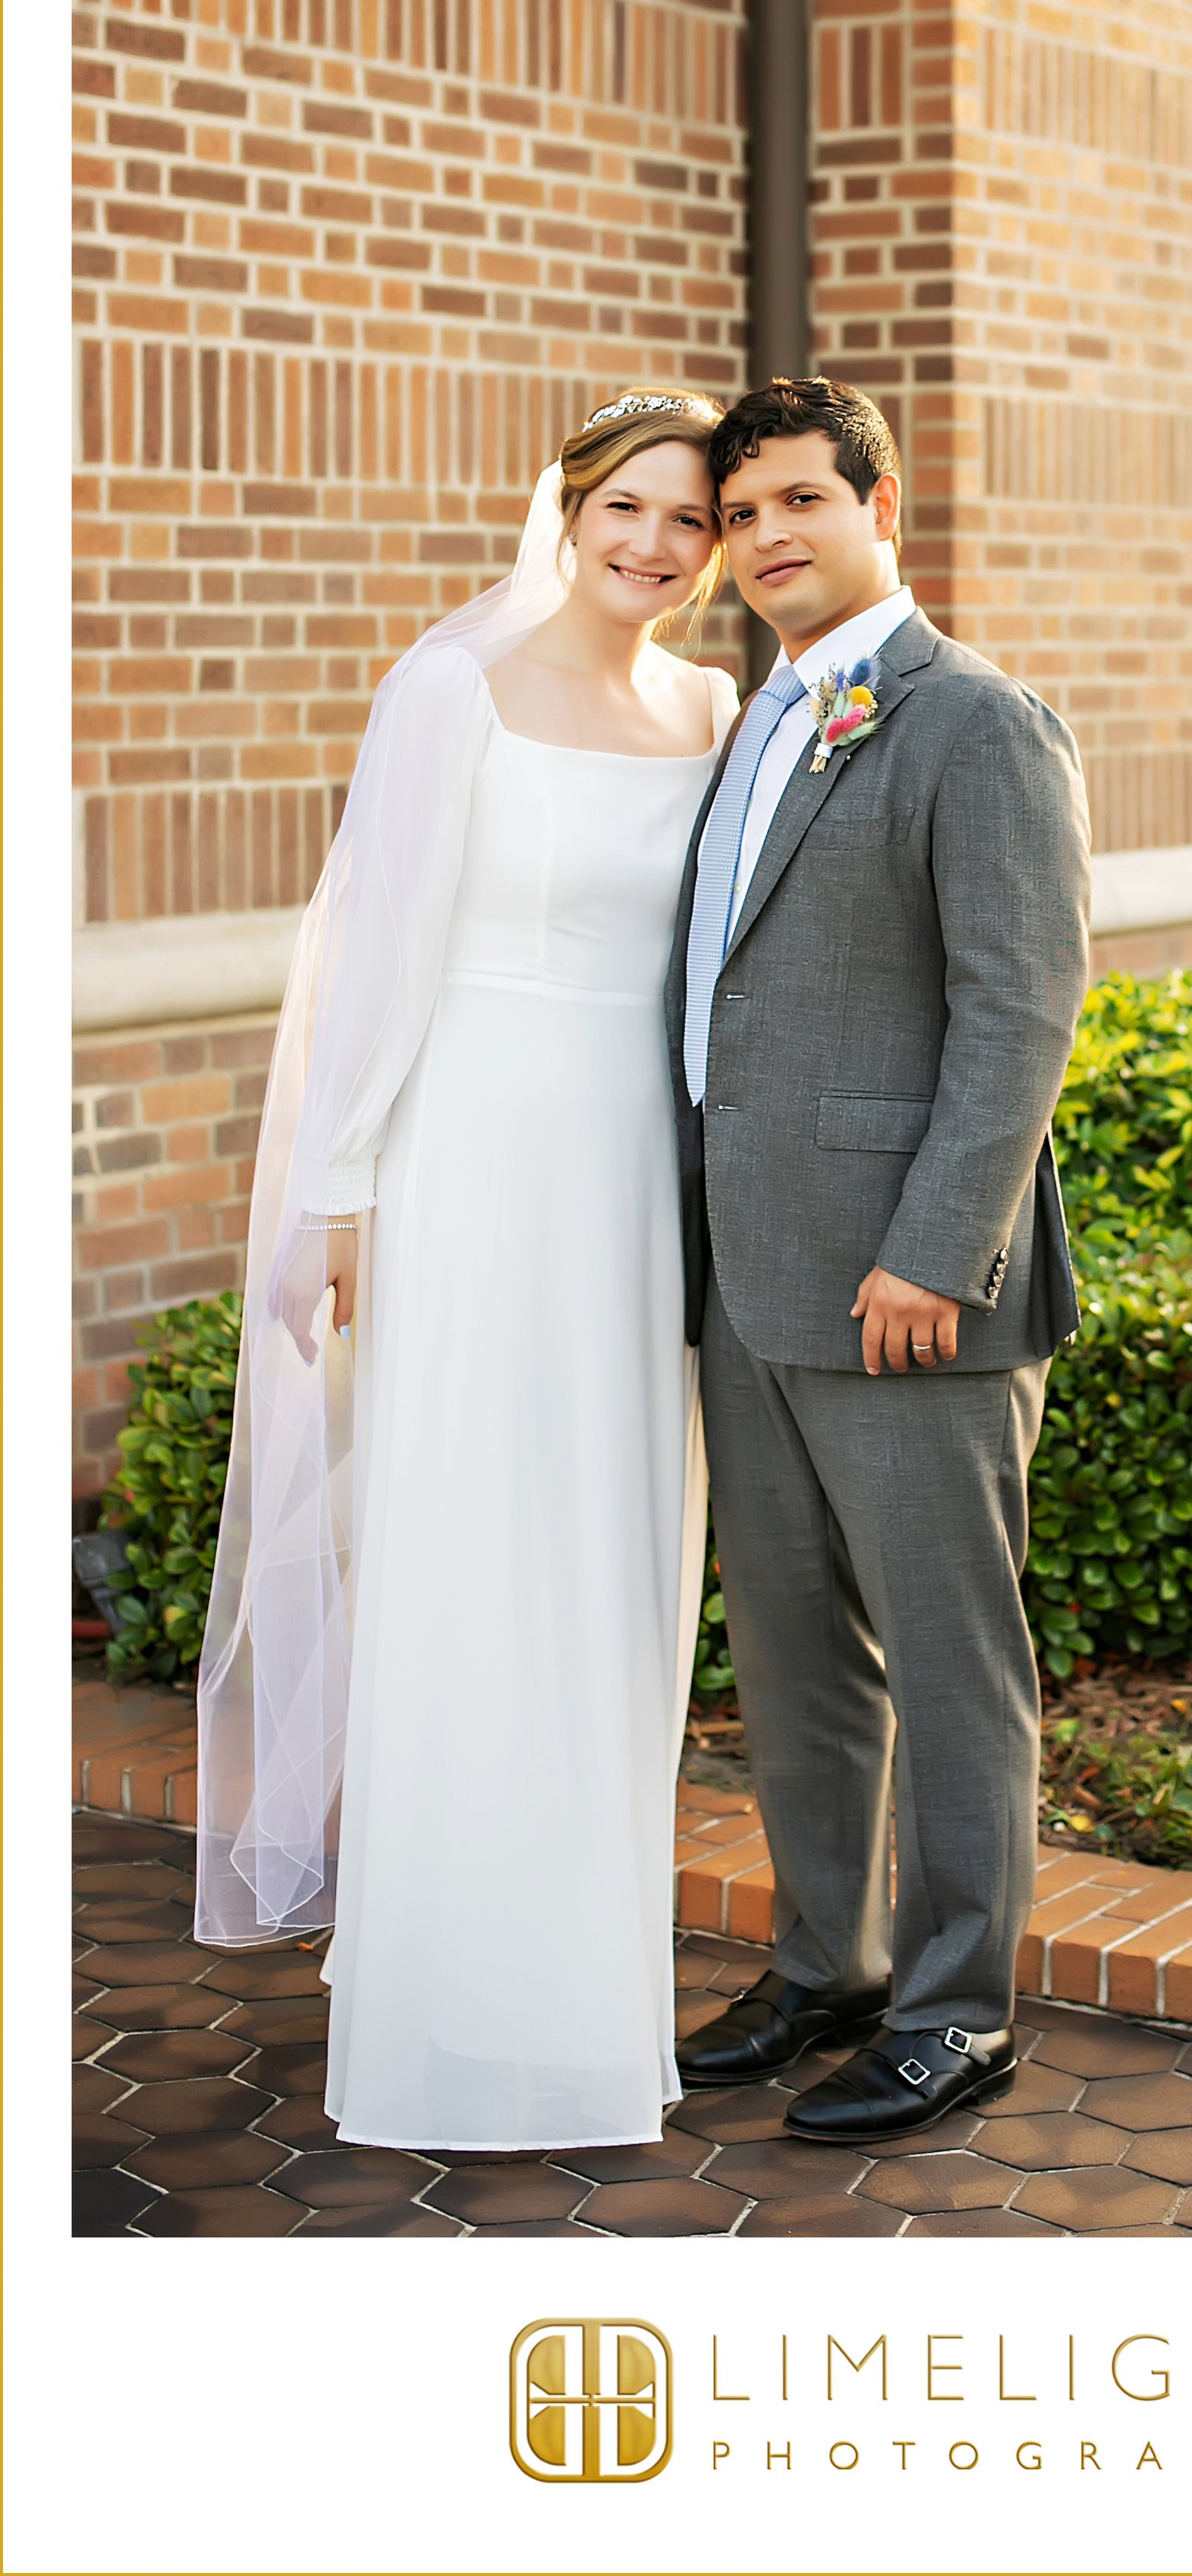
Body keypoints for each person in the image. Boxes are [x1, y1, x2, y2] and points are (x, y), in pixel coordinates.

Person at [193, 390, 740, 2156]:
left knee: (612, 1556)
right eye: (629, 510)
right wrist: (336, 1193)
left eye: (691, 523)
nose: (656, 548)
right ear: (567, 508)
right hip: (470, 1158)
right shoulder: (454, 688)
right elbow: (377, 943)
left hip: (630, 1177)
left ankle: (580, 1994)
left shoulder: (714, 708)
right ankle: (441, 1999)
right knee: (467, 1548)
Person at [665, 376, 1092, 2146]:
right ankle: (826, 1962)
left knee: (945, 1649)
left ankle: (955, 2006)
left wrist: (935, 1248)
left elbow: (1021, 1005)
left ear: (876, 503)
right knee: (791, 1653)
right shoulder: (754, 719)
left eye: (794, 502)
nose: (765, 537)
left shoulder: (968, 718)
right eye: (740, 512)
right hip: (746, 1276)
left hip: (904, 1290)